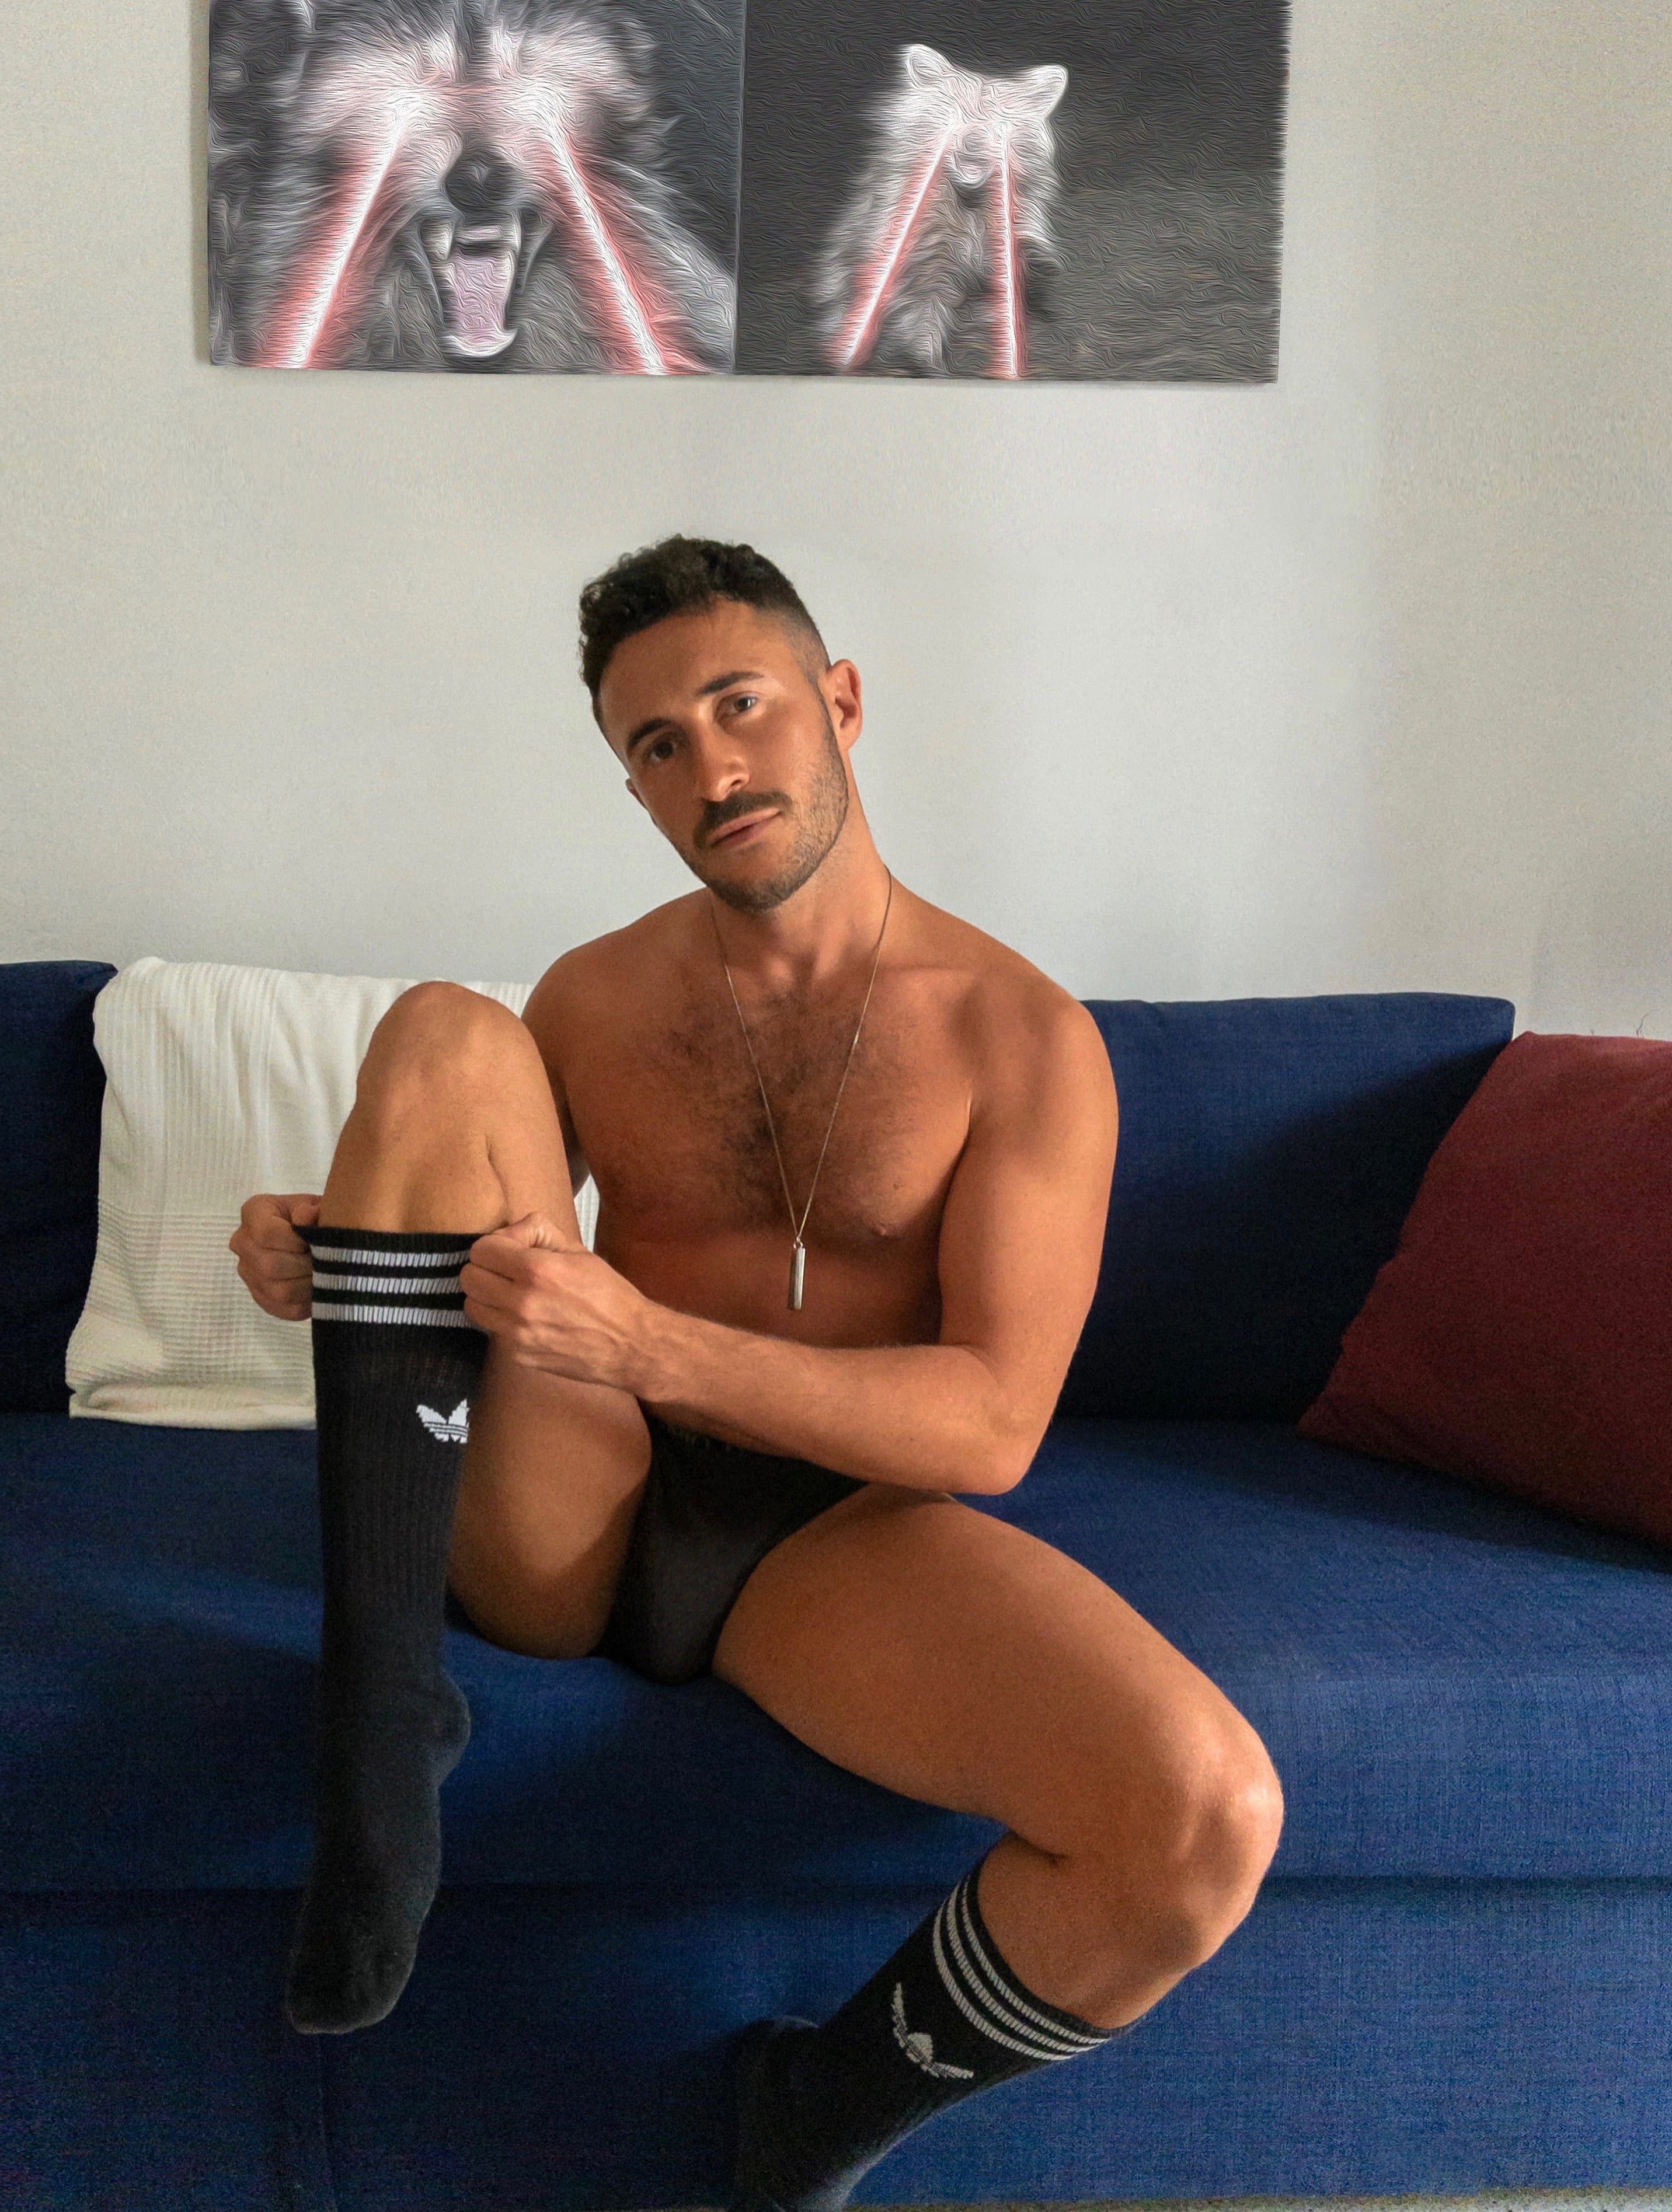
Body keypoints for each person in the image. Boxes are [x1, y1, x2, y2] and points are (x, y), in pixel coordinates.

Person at [231, 535, 1285, 2211]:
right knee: (439, 1029)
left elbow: (993, 1423)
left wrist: (647, 1338)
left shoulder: (1019, 1035)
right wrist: (335, 1241)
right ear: (631, 784)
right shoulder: (595, 994)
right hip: (580, 1486)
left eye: (742, 707)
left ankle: (810, 2115)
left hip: (830, 1536)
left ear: (839, 703)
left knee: (1201, 1818)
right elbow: (462, 1184)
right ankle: (378, 1741)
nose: (711, 769)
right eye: (657, 743)